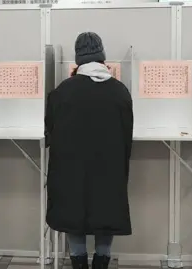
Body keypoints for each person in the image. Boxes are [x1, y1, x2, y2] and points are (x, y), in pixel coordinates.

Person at [45, 32, 134, 269]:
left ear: (78, 60)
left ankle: (78, 262)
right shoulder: (120, 91)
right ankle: (102, 262)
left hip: (71, 169)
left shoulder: (62, 91)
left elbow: (50, 131)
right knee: (106, 213)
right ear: (102, 57)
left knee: (74, 213)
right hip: (109, 168)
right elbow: (127, 137)